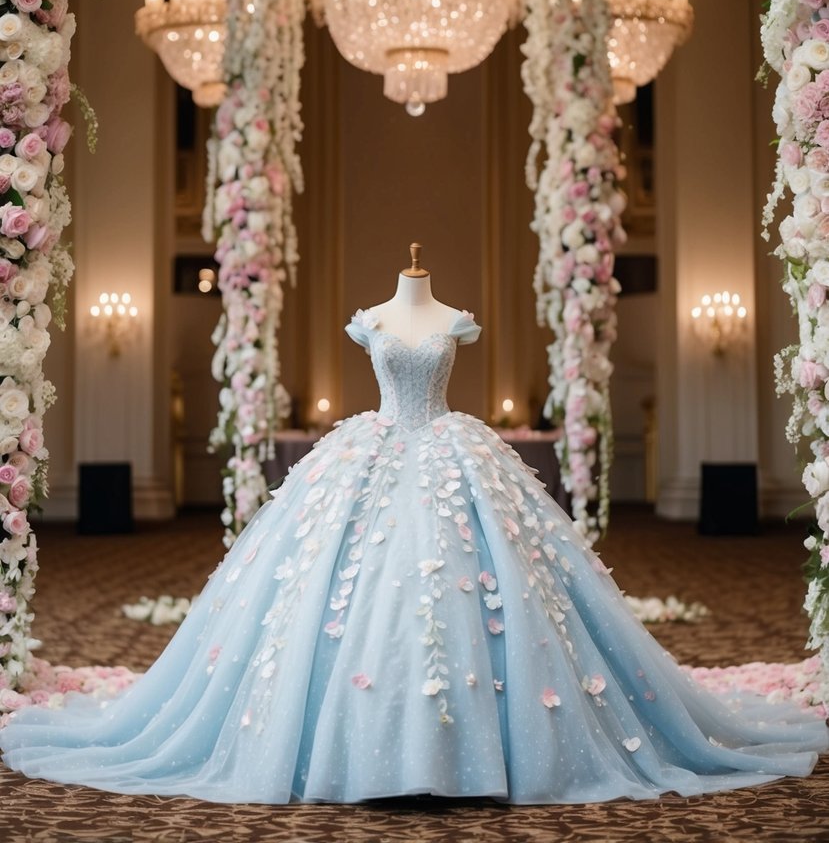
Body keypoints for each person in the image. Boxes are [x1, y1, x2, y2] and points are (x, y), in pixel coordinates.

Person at [1, 247, 826, 803]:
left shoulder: (455, 316)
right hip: (371, 452)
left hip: (451, 451)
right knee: (330, 594)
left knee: (493, 592)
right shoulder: (370, 318)